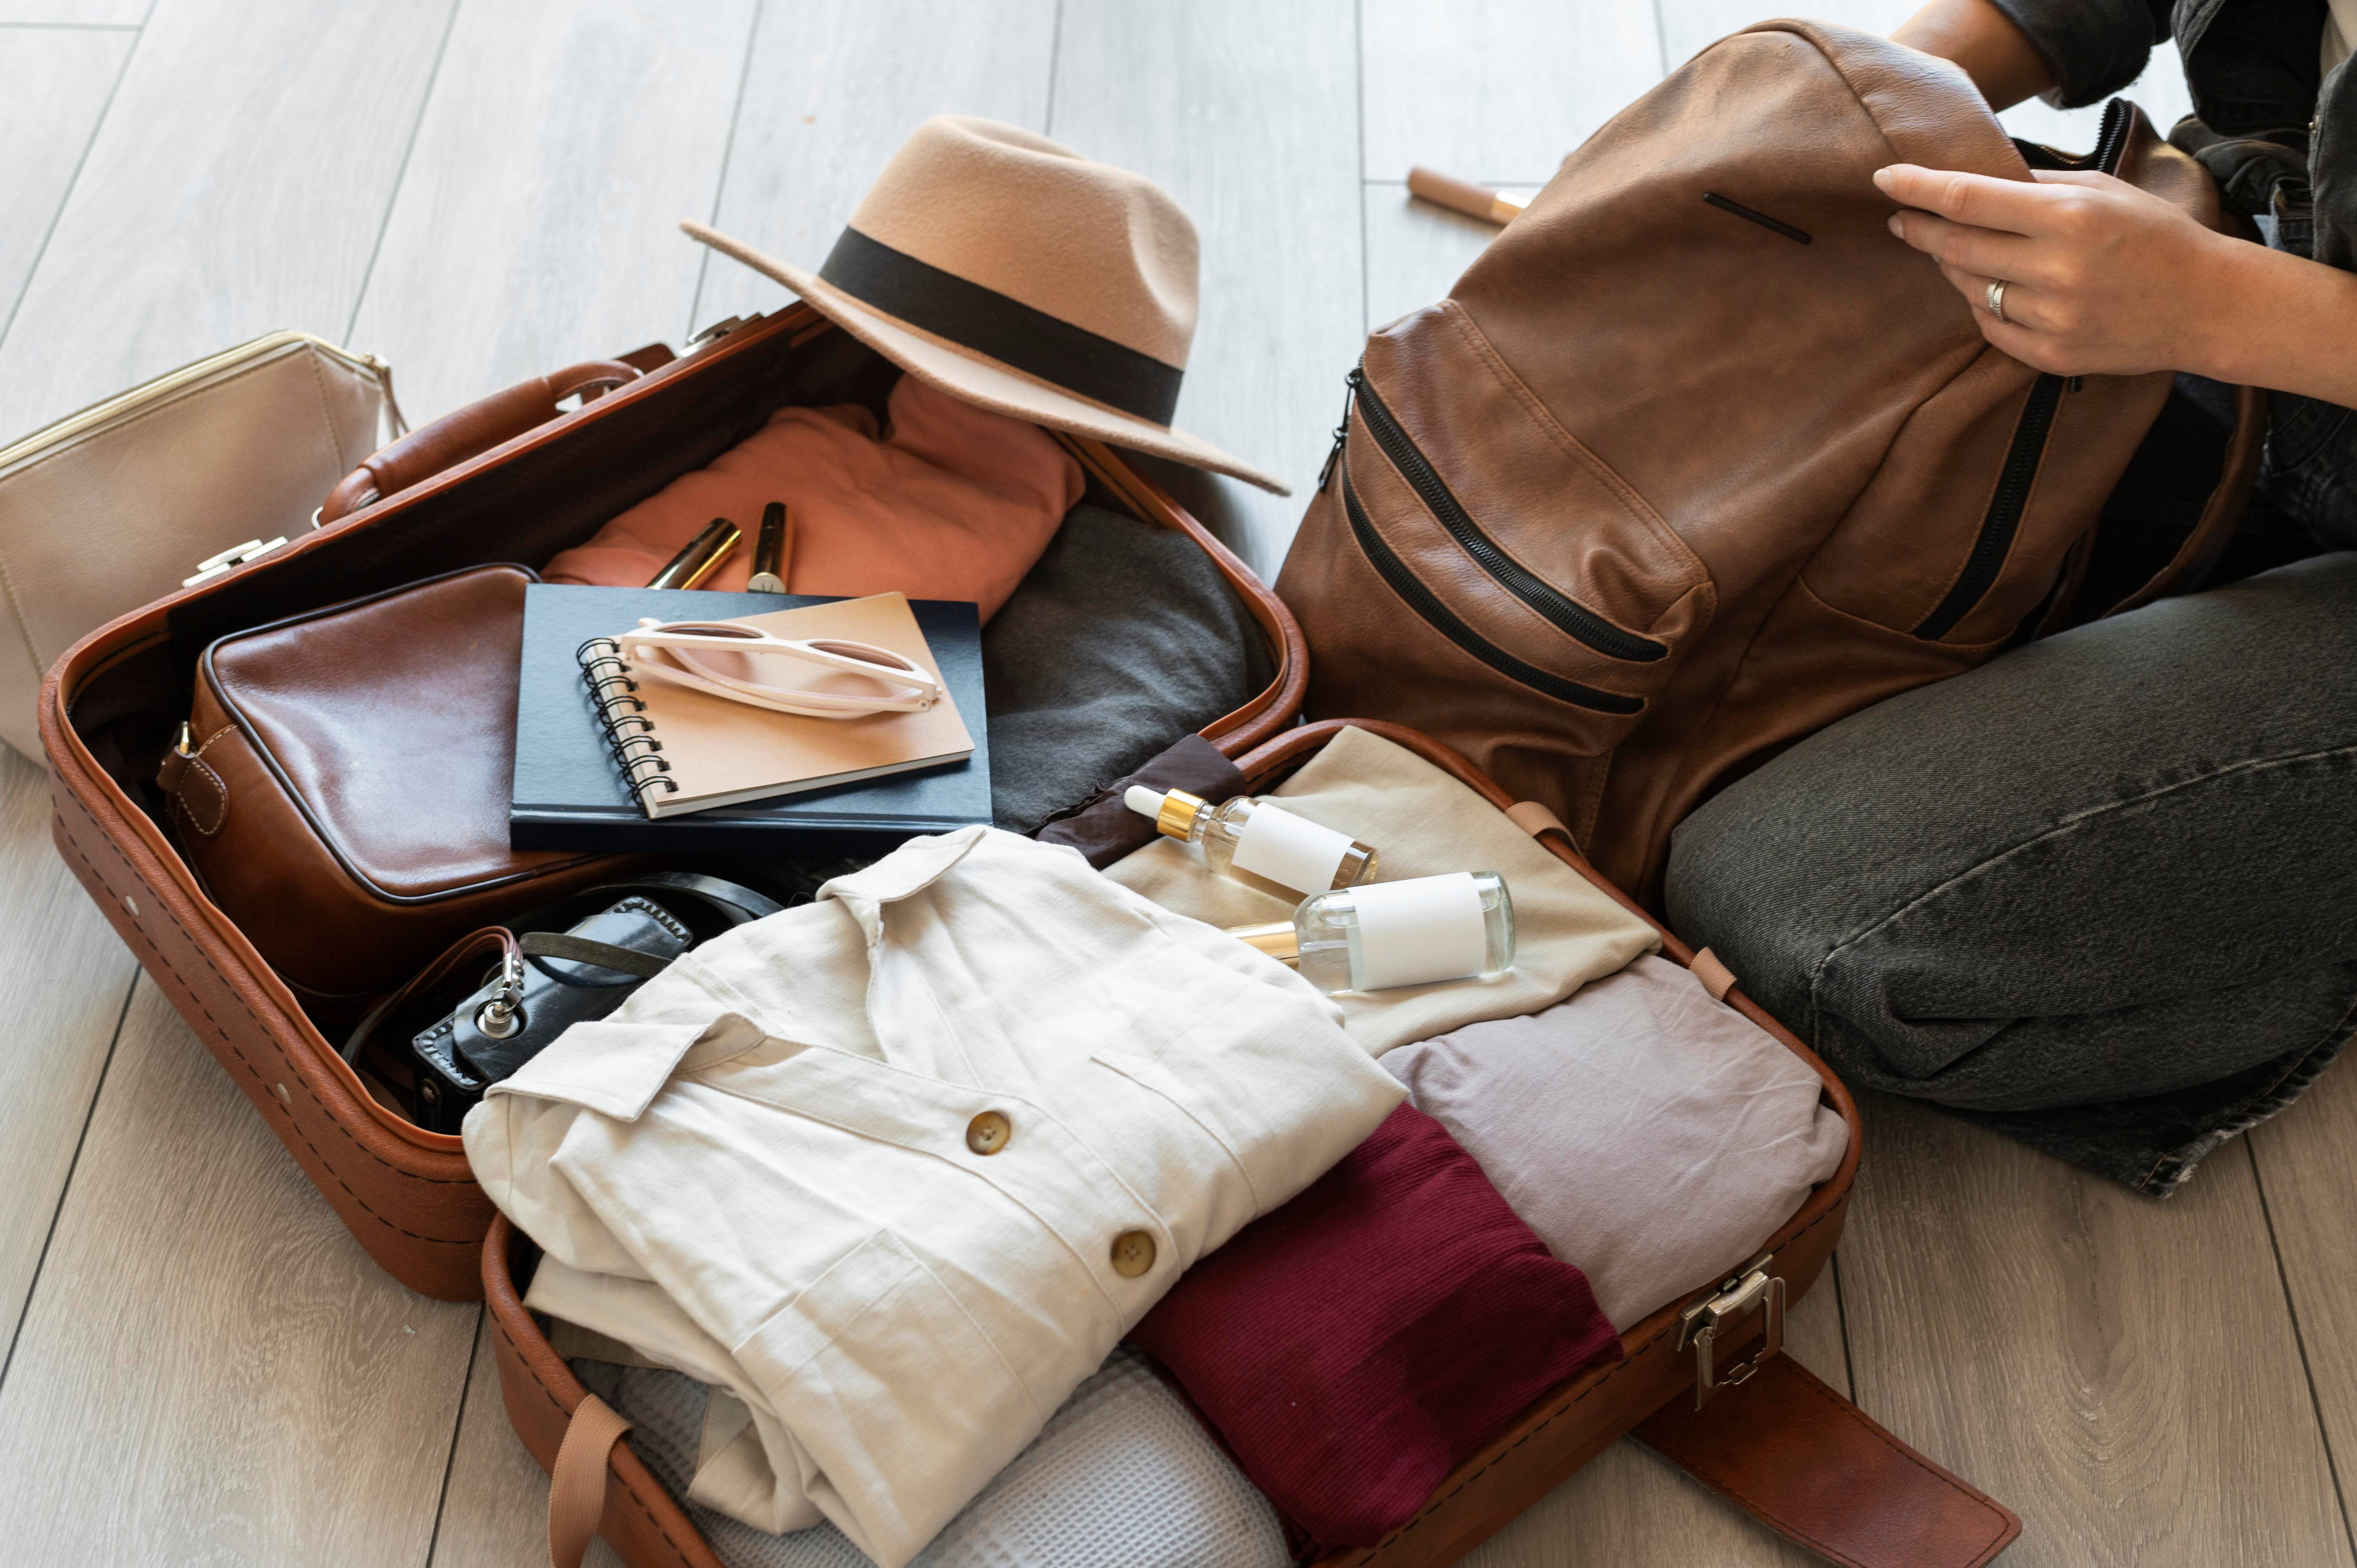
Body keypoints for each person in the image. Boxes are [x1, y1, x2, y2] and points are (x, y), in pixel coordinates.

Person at [1664, 0, 2357, 1195]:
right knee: (1687, 586)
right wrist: (1879, 96)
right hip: (2265, 300)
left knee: (1811, 923)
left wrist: (2230, 312)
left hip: (2264, 322)